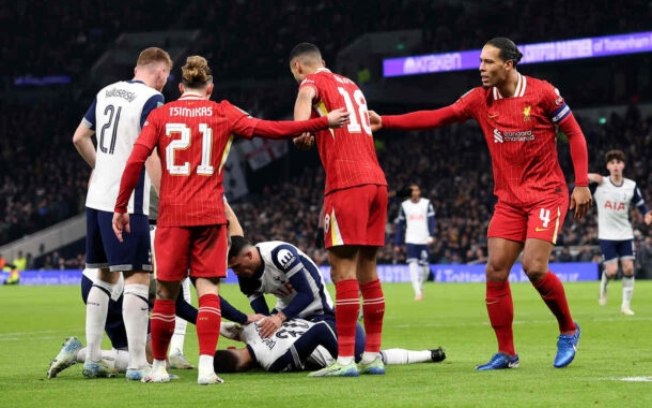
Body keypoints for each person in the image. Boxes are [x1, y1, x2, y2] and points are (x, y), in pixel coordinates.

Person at [112, 55, 348, 384]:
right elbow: (273, 129)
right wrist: (322, 122)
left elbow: (136, 159)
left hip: (172, 215)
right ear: (210, 87)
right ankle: (207, 369)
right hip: (210, 216)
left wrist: (121, 206)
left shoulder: (160, 114)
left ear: (180, 87)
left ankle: (159, 368)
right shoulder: (223, 111)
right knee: (208, 291)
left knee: (166, 294)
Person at [369, 37, 592, 370]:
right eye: (480, 62)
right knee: (495, 270)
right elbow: (439, 116)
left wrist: (582, 183)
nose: (481, 69)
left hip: (546, 193)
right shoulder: (479, 99)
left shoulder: (543, 93)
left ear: (508, 64)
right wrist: (386, 121)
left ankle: (568, 329)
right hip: (509, 200)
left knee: (534, 267)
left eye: (488, 62)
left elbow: (574, 133)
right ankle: (507, 353)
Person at [72, 47, 172, 380]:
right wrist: (167, 198)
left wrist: (103, 167)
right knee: (138, 278)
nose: (165, 83)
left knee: (102, 274)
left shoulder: (105, 92)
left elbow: (79, 137)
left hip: (96, 198)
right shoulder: (152, 100)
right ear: (159, 73)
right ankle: (138, 365)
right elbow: (153, 154)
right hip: (128, 204)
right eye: (166, 77)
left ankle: (92, 357)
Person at [289, 42, 388, 377]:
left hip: (347, 183)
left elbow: (302, 114)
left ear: (297, 67)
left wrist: (302, 128)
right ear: (324, 62)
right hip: (377, 182)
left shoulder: (310, 82)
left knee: (342, 272)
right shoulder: (351, 84)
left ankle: (345, 359)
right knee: (368, 272)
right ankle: (371, 355)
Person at [213, 319, 446, 373]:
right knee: (374, 356)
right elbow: (218, 323)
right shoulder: (252, 328)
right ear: (232, 347)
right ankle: (431, 354)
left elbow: (321, 331)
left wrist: (345, 360)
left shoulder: (273, 363)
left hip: (345, 338)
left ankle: (430, 353)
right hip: (344, 323)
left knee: (365, 358)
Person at [227, 236, 334, 338]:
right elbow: (263, 314)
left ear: (249, 255)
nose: (235, 273)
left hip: (318, 308)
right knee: (262, 333)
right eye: (232, 268)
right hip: (287, 311)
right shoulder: (245, 276)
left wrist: (279, 318)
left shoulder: (280, 254)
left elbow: (306, 294)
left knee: (302, 347)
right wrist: (259, 326)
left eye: (237, 266)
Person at [589, 149, 652, 315]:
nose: (615, 165)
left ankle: (625, 306)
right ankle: (603, 285)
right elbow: (579, 183)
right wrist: (589, 176)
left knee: (629, 268)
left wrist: (646, 214)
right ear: (607, 166)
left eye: (618, 162)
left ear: (623, 165)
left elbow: (641, 204)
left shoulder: (631, 185)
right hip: (606, 235)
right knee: (612, 271)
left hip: (625, 233)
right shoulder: (600, 184)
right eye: (612, 163)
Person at [394, 183, 436, 301]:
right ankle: (417, 292)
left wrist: (431, 235)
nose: (415, 193)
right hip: (411, 240)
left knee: (426, 269)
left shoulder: (426, 203)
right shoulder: (404, 206)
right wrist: (397, 243)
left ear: (420, 192)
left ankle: (421, 287)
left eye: (417, 190)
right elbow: (400, 226)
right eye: (412, 191)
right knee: (412, 265)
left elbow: (432, 221)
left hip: (424, 240)